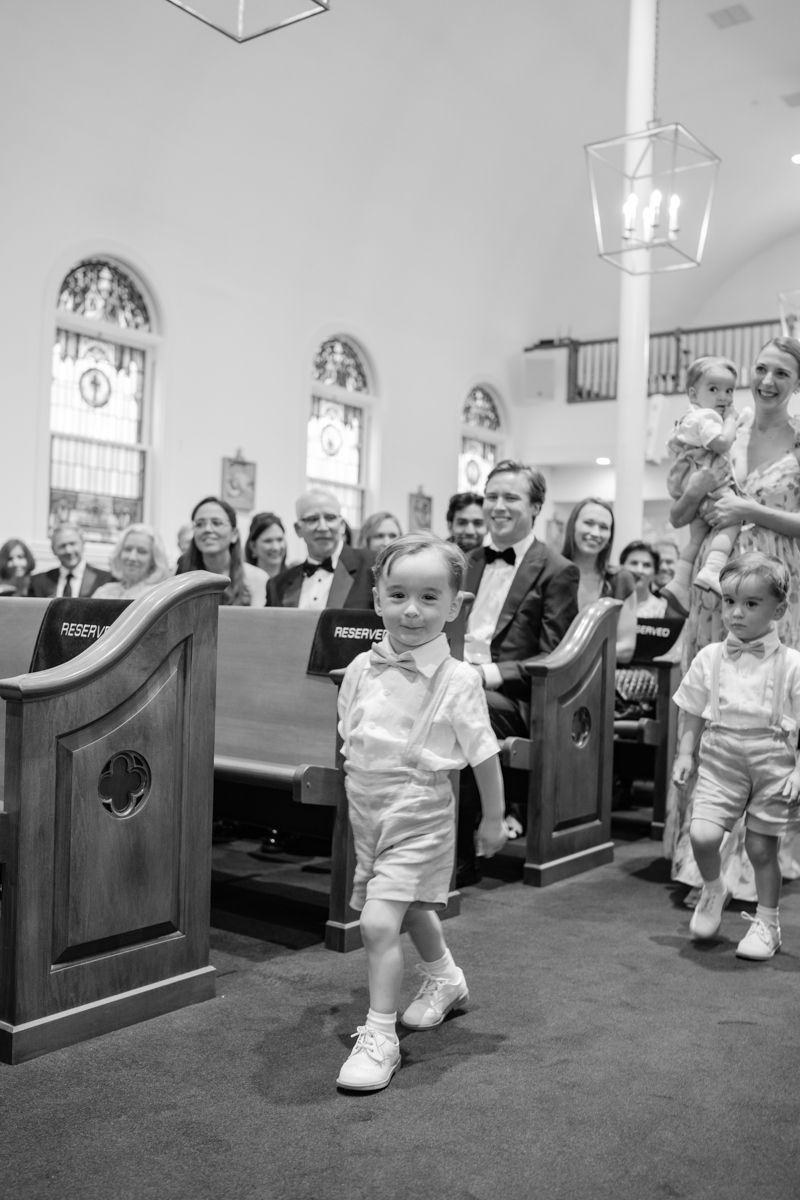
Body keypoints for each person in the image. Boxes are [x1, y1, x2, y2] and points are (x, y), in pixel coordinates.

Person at [335, 533, 508, 1091]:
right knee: (408, 909)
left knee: (379, 919)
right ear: (378, 600)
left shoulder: (459, 680)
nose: (412, 610)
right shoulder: (362, 667)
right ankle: (446, 979)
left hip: (420, 812)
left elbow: (484, 755)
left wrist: (492, 819)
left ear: (455, 607)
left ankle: (380, 1036)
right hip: (369, 810)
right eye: (399, 594)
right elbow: (350, 735)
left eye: (430, 597)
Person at [665, 337, 800, 904]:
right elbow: (678, 512)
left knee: (765, 716)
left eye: (782, 374)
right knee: (713, 709)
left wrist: (748, 510)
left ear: (795, 384)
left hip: (776, 586)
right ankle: (704, 863)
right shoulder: (722, 428)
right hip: (715, 588)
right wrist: (697, 489)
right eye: (761, 370)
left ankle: (761, 860)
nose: (767, 381)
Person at [671, 554, 800, 959]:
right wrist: (684, 753)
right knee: (702, 834)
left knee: (762, 849)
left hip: (773, 761)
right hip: (720, 756)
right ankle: (714, 887)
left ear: (778, 609)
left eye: (750, 604)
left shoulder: (793, 664)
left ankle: (767, 922)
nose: (736, 613)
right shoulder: (709, 656)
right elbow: (691, 707)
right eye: (729, 602)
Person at [456, 461, 579, 878]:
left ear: (536, 506)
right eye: (491, 497)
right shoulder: (463, 561)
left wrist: (486, 673)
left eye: (511, 497)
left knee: (466, 705)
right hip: (453, 679)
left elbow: (552, 657)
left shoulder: (557, 570)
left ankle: (458, 855)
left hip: (512, 698)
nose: (498, 506)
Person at [662, 357, 743, 615]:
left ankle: (679, 582)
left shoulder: (689, 419)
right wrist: (731, 422)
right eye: (714, 389)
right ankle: (714, 567)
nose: (724, 397)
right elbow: (721, 444)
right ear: (693, 394)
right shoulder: (707, 418)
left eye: (729, 390)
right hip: (712, 490)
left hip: (698, 494)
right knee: (733, 521)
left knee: (696, 536)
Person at [267, 488, 375, 611]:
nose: (323, 527)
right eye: (312, 519)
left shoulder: (373, 566)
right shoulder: (277, 585)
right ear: (298, 529)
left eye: (330, 518)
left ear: (342, 525)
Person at [561, 498, 637, 664]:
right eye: (589, 523)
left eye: (604, 527)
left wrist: (571, 656)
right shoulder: (551, 573)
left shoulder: (621, 579)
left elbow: (626, 649)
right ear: (572, 526)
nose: (595, 533)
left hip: (601, 678)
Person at [177, 496, 266, 607]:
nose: (208, 529)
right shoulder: (179, 577)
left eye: (217, 523)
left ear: (234, 534)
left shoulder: (256, 579)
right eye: (199, 524)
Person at [30, 524, 112, 597]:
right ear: (53, 550)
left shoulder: (105, 579)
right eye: (62, 546)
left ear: (83, 544)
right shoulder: (38, 581)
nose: (68, 550)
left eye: (72, 544)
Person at [93, 525, 171, 600]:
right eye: (128, 549)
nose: (132, 557)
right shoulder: (104, 592)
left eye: (141, 551)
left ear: (153, 560)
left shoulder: (158, 595)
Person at [619, 540, 667, 618]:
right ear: (621, 567)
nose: (639, 570)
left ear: (655, 572)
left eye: (646, 565)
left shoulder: (662, 611)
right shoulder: (610, 604)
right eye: (634, 563)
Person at [245, 512, 287, 579]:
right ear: (253, 546)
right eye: (268, 541)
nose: (276, 547)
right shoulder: (244, 580)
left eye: (280, 540)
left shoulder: (297, 579)